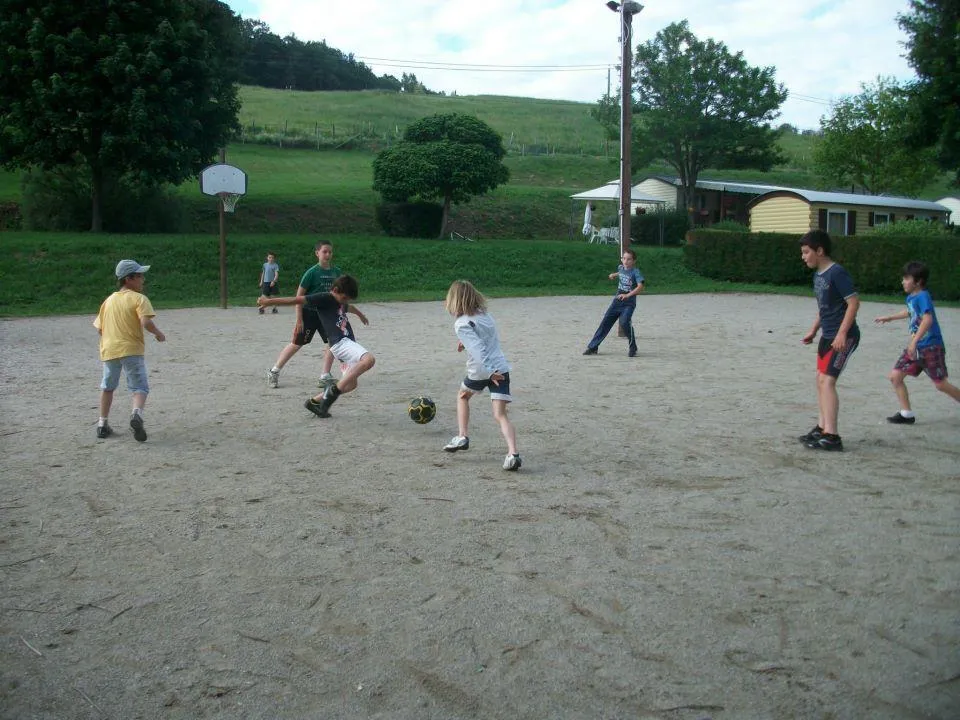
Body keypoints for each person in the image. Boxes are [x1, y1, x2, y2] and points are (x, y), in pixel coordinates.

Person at [258, 275, 371, 418]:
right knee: (369, 360)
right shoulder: (324, 298)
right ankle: (332, 393)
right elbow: (296, 300)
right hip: (340, 342)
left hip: (346, 344)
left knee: (350, 384)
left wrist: (361, 316)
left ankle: (314, 402)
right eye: (344, 298)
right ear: (335, 290)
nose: (345, 301)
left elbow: (350, 307)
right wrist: (268, 301)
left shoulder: (339, 300)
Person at [442, 280, 521, 471]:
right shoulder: (485, 315)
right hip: (501, 368)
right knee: (500, 415)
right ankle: (513, 454)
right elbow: (484, 338)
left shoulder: (461, 323)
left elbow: (478, 349)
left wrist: (489, 370)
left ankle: (462, 436)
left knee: (462, 396)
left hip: (482, 370)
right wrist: (465, 343)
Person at [874, 260, 960, 422]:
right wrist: (890, 317)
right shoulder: (912, 297)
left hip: (931, 347)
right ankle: (907, 414)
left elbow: (927, 320)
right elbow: (910, 312)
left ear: (918, 281)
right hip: (917, 347)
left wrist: (913, 343)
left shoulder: (923, 296)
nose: (903, 281)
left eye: (906, 278)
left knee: (941, 384)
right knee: (895, 376)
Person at [798, 230, 860, 451]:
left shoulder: (837, 273)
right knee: (819, 379)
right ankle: (822, 427)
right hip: (827, 336)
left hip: (844, 336)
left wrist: (842, 333)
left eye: (806, 252)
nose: (803, 257)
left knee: (828, 382)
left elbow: (853, 303)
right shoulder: (819, 276)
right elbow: (824, 308)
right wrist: (813, 330)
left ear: (820, 251)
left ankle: (832, 436)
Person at [93, 259, 166, 442]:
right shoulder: (139, 299)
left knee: (107, 387)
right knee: (139, 387)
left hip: (109, 350)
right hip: (131, 349)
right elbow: (145, 322)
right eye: (140, 276)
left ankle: (102, 424)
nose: (143, 280)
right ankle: (136, 415)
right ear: (128, 279)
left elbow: (99, 328)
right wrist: (158, 334)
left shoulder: (108, 301)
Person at [266, 240, 349, 388]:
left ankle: (325, 375)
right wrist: (299, 319)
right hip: (309, 314)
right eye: (324, 251)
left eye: (330, 251)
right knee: (297, 343)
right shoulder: (312, 273)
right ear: (317, 253)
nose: (328, 254)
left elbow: (340, 296)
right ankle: (274, 371)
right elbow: (299, 297)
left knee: (332, 343)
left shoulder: (336, 272)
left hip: (327, 315)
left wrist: (342, 312)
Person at [582, 249, 644, 357]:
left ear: (634, 261)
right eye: (624, 258)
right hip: (617, 301)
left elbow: (640, 287)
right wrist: (614, 275)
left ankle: (632, 347)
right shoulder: (621, 268)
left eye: (629, 259)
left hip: (628, 302)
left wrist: (627, 295)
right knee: (605, 322)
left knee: (624, 322)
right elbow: (621, 272)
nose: (626, 261)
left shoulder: (636, 272)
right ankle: (593, 347)